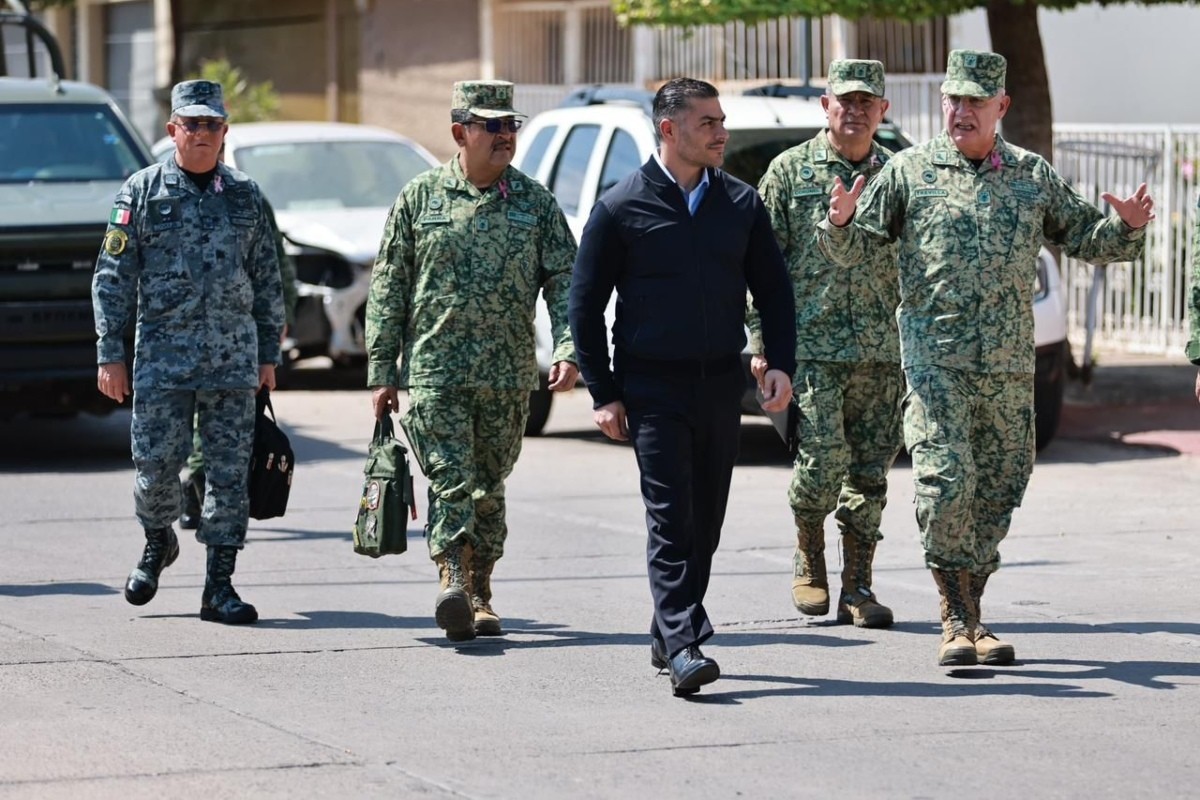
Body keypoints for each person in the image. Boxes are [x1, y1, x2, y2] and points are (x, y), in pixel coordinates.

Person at [818, 50, 1154, 666]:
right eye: (954, 98)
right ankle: (957, 618)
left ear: (1001, 106)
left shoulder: (1031, 176)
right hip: (933, 362)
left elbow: (1085, 237)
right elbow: (852, 249)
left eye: (976, 101)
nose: (962, 110)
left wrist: (1124, 228)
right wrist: (839, 227)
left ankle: (974, 607)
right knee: (946, 485)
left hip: (1006, 368)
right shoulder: (910, 173)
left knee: (998, 491)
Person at [569, 78, 796, 697]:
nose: (721, 133)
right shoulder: (621, 207)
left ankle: (666, 629)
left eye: (721, 121)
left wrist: (779, 361)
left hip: (721, 382)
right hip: (651, 387)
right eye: (708, 123)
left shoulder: (742, 204)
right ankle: (684, 643)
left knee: (707, 521)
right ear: (669, 130)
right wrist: (604, 391)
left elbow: (774, 292)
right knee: (671, 517)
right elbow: (584, 307)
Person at [366, 80, 578, 643]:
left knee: (490, 486)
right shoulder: (420, 198)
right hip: (436, 369)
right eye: (493, 126)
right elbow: (389, 286)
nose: (506, 136)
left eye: (512, 126)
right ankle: (453, 579)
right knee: (451, 481)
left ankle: (482, 587)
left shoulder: (533, 202)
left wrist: (567, 347)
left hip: (508, 375)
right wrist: (382, 368)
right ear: (461, 132)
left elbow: (565, 281)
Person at [92, 79, 284, 625]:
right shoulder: (142, 192)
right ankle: (159, 540)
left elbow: (267, 279)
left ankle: (218, 587)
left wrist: (268, 355)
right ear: (173, 129)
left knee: (228, 476)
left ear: (224, 133)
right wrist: (111, 353)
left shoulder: (246, 195)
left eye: (212, 125)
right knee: (155, 473)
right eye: (192, 124)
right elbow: (112, 278)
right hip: (162, 362)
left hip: (233, 363)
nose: (202, 133)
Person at [749, 59, 902, 630]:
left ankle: (858, 586)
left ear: (883, 111)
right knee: (821, 463)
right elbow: (759, 267)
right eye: (846, 101)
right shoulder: (789, 173)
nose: (856, 111)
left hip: (883, 350)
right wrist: (763, 342)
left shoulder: (899, 175)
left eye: (868, 102)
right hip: (809, 349)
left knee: (869, 473)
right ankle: (808, 550)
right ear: (826, 106)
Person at [180, 141, 298, 530]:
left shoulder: (247, 196)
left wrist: (280, 315)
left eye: (215, 132)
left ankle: (201, 490)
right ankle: (194, 488)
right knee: (195, 420)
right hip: (179, 342)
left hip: (236, 339)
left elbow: (273, 262)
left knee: (222, 426)